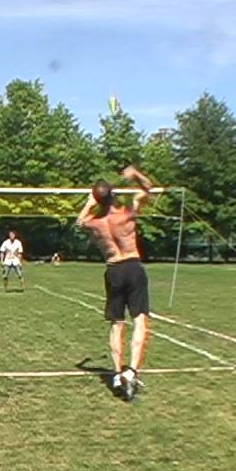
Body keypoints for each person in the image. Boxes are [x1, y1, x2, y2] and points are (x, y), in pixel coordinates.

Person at [76, 165, 152, 401]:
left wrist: (89, 203)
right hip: (133, 266)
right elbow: (148, 189)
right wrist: (135, 175)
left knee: (116, 323)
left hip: (114, 270)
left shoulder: (96, 224)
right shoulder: (127, 213)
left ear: (97, 199)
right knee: (139, 320)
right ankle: (132, 371)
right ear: (114, 195)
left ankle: (118, 373)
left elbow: (79, 222)